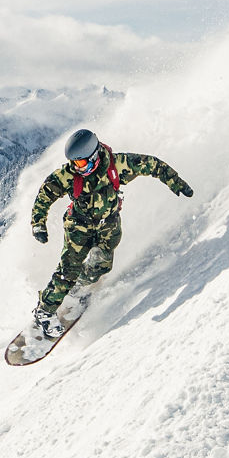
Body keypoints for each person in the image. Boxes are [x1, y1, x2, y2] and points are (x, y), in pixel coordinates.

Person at [30, 128, 194, 337]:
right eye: (74, 163)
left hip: (109, 224)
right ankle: (44, 311)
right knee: (68, 269)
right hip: (79, 227)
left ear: (94, 156)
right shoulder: (68, 175)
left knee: (102, 265)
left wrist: (174, 180)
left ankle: (78, 287)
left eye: (80, 163)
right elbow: (45, 195)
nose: (76, 167)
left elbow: (151, 164)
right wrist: (38, 224)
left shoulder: (117, 165)